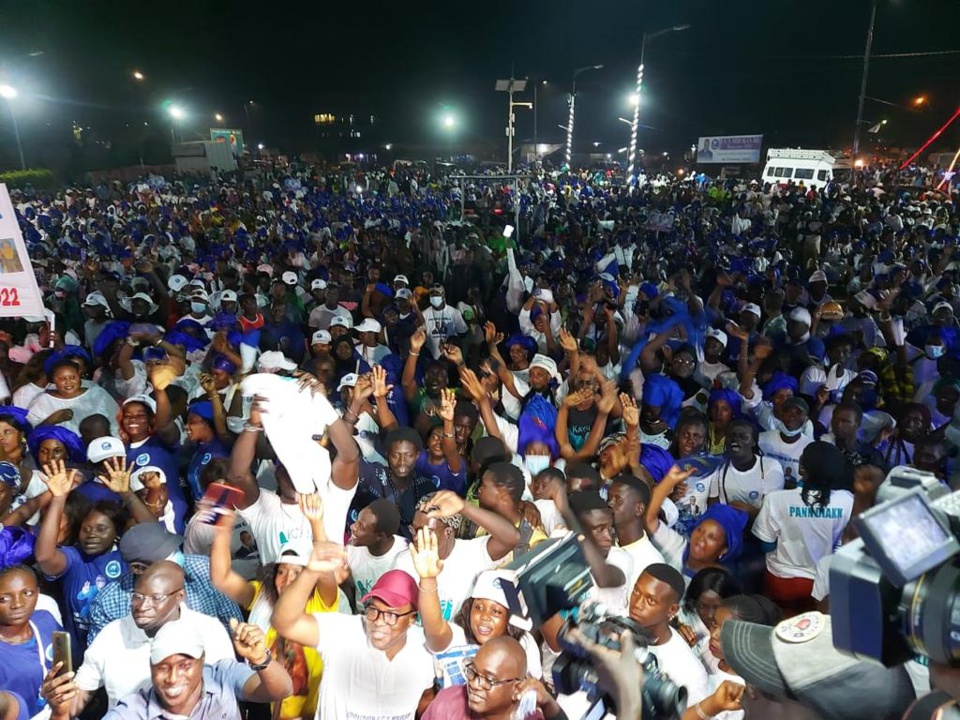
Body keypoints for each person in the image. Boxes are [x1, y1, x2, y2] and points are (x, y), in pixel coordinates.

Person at [210, 499, 338, 720]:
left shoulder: (320, 602)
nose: (287, 580)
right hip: (264, 704)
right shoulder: (262, 595)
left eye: (297, 573)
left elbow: (324, 569)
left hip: (309, 711)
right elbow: (221, 578)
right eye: (282, 571)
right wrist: (222, 529)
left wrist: (316, 523)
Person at [272, 557, 437, 720]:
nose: (379, 621)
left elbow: (427, 696)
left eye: (391, 615)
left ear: (412, 619)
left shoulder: (424, 649)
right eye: (374, 609)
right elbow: (284, 623)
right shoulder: (344, 633)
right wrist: (310, 572)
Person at [45, 615, 294, 720]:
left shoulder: (222, 676)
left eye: (185, 665)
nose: (173, 678)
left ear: (202, 660)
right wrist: (60, 713)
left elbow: (282, 690)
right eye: (163, 667)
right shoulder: (134, 709)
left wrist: (261, 658)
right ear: (150, 667)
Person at [65, 561, 235, 711]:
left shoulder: (209, 631)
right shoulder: (111, 635)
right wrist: (61, 703)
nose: (143, 606)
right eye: (137, 597)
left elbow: (231, 692)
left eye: (156, 598)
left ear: (179, 597)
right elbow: (77, 698)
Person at [411, 527, 543, 687]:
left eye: (496, 611)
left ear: (510, 619)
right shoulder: (457, 637)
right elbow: (434, 631)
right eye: (479, 607)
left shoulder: (524, 644)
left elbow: (536, 689)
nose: (484, 616)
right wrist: (428, 579)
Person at [33, 458, 134, 656]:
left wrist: (127, 494)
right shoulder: (74, 558)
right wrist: (59, 499)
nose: (91, 534)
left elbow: (152, 532)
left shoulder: (126, 557)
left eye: (101, 529)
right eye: (86, 529)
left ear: (116, 533)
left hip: (122, 655)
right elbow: (45, 557)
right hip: (82, 658)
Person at [86, 521, 243, 643]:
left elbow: (233, 624)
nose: (177, 557)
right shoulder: (108, 603)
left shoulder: (204, 569)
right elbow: (102, 661)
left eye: (175, 550)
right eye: (167, 557)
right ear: (139, 569)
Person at [629, 564, 746, 720]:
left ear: (672, 610)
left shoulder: (690, 675)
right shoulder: (617, 621)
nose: (637, 604)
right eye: (636, 591)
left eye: (650, 600)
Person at [753, 442, 855, 614]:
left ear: (802, 469)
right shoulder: (847, 501)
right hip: (823, 587)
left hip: (782, 582)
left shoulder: (777, 499)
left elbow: (766, 545)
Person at [395, 489, 521, 620]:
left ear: (448, 532)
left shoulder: (471, 554)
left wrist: (464, 507)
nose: (416, 537)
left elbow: (512, 538)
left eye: (426, 531)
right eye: (413, 530)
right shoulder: (404, 561)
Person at [421, 636, 566, 720]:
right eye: (473, 671)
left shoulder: (528, 716)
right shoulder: (448, 702)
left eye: (489, 680)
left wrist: (547, 702)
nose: (475, 684)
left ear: (516, 689)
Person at [0, 564, 63, 720]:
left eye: (27, 593)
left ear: (38, 593)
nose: (18, 604)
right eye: (4, 598)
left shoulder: (46, 620)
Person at [26, 359, 119, 436]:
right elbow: (30, 431)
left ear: (79, 377)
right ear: (53, 381)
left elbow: (116, 420)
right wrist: (51, 420)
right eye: (62, 379)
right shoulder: (43, 401)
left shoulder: (97, 394)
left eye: (73, 377)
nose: (68, 382)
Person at [606, 474, 665, 595]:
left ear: (639, 509)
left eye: (618, 500)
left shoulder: (651, 561)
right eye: (609, 498)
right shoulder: (604, 542)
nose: (610, 504)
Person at [346, 497, 409, 606]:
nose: (352, 527)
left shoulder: (405, 557)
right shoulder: (352, 549)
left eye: (361, 527)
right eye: (357, 521)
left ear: (380, 536)